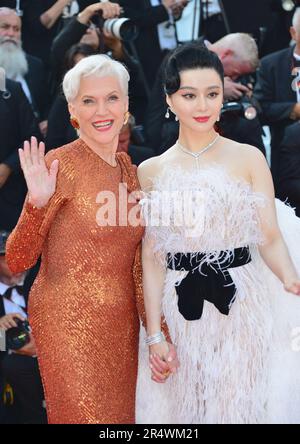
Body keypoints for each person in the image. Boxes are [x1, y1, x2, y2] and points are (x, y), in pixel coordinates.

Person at [5, 54, 175, 424]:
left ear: (127, 105)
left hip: (122, 326)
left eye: (112, 98)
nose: (102, 110)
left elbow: (137, 265)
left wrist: (156, 334)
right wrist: (36, 204)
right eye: (89, 100)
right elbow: (17, 260)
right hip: (66, 321)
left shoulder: (130, 171)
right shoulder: (57, 165)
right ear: (73, 111)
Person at [136, 43, 300, 424]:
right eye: (189, 95)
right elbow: (152, 257)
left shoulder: (248, 157)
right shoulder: (150, 171)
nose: (202, 106)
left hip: (243, 303)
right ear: (169, 99)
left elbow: (270, 237)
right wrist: (155, 334)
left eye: (212, 93)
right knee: (188, 410)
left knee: (240, 405)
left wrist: (291, 278)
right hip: (179, 310)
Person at [254, 7, 300, 183]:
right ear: (293, 32)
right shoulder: (271, 64)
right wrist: (293, 109)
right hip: (287, 155)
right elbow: (260, 109)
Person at [0, 7, 50, 136]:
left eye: (16, 29)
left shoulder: (34, 65)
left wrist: (46, 121)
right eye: (5, 27)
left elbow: (44, 106)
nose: (11, 34)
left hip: (33, 141)